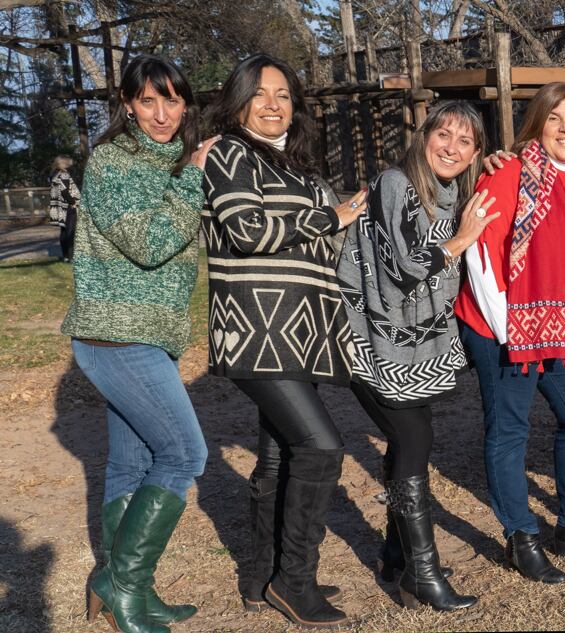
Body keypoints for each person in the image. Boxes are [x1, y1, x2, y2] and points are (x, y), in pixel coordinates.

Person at [202, 53, 365, 628]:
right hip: (258, 332)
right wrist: (332, 217)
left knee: (278, 458)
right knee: (321, 447)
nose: (274, 105)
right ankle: (295, 583)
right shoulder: (228, 152)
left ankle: (261, 578)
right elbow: (247, 232)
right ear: (238, 99)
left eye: (284, 96)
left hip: (297, 336)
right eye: (261, 93)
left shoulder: (293, 166)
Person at [65, 54, 215, 633]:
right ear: (127, 104)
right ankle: (119, 584)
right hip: (116, 337)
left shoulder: (173, 162)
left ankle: (133, 588)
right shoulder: (111, 162)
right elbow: (149, 241)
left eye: (172, 100)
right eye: (147, 100)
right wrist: (193, 179)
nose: (161, 113)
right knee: (185, 454)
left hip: (147, 337)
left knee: (132, 464)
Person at [336, 101, 497, 611]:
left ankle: (395, 553)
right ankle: (421, 576)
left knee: (407, 438)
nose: (451, 147)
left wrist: (500, 166)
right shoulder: (395, 183)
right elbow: (405, 266)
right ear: (424, 136)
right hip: (371, 334)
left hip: (414, 341)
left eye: (465, 141)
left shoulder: (454, 193)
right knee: (414, 435)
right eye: (443, 134)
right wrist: (463, 239)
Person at [454, 81, 565, 585]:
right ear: (536, 124)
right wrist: (510, 331)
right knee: (510, 428)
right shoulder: (510, 174)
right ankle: (520, 535)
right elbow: (478, 252)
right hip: (500, 325)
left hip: (559, 327)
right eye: (555, 118)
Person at [49, 155, 80, 262]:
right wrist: (73, 201)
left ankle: (66, 256)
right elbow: (65, 191)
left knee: (63, 231)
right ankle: (71, 257)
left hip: (60, 208)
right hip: (68, 207)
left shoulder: (54, 174)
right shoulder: (64, 174)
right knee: (71, 231)